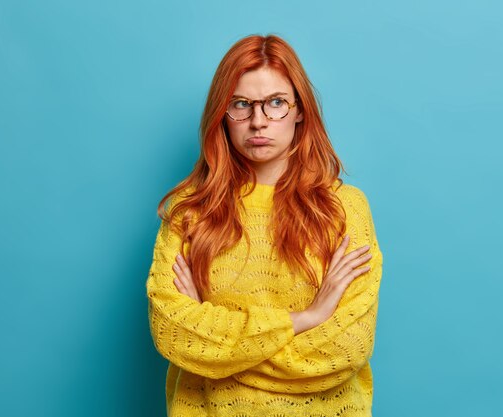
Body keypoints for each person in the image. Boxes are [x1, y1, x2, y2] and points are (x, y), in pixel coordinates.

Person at [146, 34, 384, 417]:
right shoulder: (190, 210)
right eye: (241, 104)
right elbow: (174, 334)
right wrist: (305, 319)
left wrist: (221, 355)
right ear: (222, 113)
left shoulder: (344, 209)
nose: (258, 122)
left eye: (275, 103)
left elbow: (346, 347)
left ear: (300, 109)